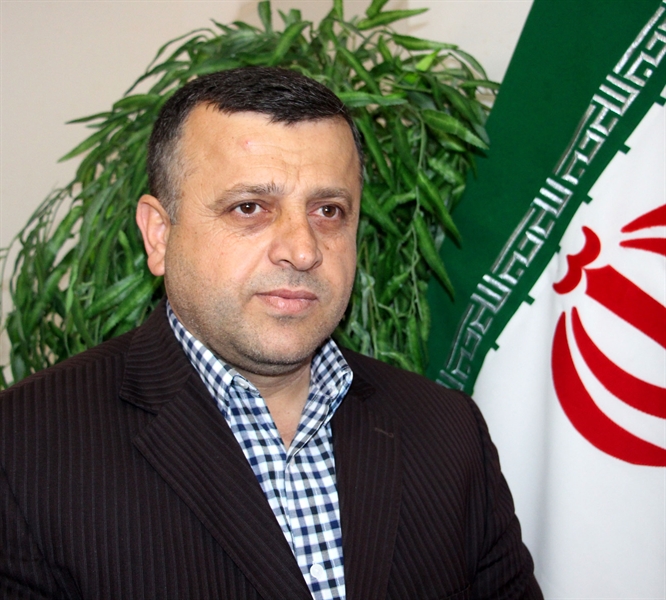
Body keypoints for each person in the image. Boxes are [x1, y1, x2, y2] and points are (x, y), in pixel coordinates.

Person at [0, 67, 542, 599]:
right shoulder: (22, 450)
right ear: (159, 235)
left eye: (328, 210)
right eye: (250, 208)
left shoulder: (448, 430)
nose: (302, 250)